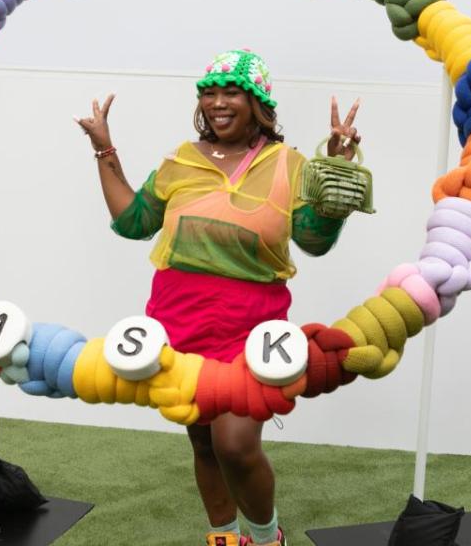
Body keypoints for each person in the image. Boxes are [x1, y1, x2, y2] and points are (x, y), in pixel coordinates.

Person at [75, 49, 361, 546]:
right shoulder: (181, 160)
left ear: (258, 102)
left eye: (231, 92)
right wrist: (105, 150)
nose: (217, 103)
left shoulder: (290, 164)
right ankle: (225, 537)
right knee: (204, 441)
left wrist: (334, 176)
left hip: (251, 325)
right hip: (178, 319)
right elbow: (133, 223)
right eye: (209, 92)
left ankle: (269, 537)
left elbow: (314, 240)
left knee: (235, 442)